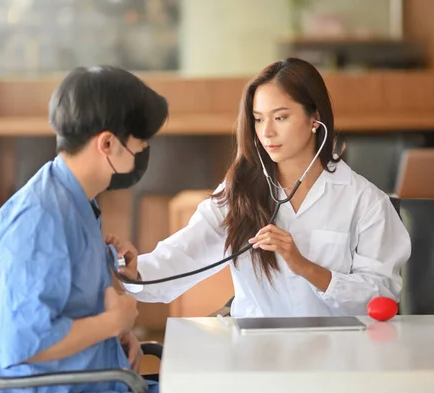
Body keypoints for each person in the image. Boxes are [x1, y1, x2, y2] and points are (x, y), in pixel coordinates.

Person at [109, 58, 411, 317]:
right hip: (256, 353)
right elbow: (186, 252)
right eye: (257, 119)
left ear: (314, 118)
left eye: (280, 117)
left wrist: (304, 266)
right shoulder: (240, 191)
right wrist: (136, 273)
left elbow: (381, 297)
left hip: (337, 354)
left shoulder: (364, 200)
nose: (266, 132)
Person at [0, 65, 168, 393]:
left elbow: (63, 309)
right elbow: (23, 341)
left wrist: (111, 338)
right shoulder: (39, 220)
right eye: (140, 143)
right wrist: (112, 323)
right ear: (107, 143)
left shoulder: (74, 200)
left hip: (94, 382)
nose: (144, 150)